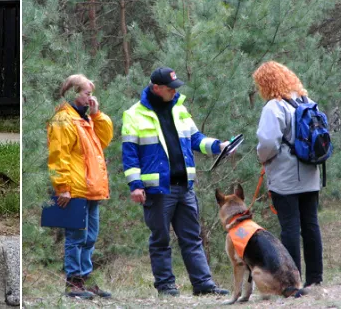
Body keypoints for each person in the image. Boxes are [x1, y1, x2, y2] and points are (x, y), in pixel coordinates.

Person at [121, 67, 230, 297]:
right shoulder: (133, 114)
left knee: (192, 238)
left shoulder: (180, 108)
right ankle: (166, 286)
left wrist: (217, 146)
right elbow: (129, 154)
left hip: (185, 187)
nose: (174, 91)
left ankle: (203, 284)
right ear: (156, 88)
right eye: (170, 88)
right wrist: (135, 185)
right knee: (160, 240)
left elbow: (196, 139)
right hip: (158, 190)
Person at [253, 61, 323, 287]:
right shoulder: (308, 102)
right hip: (311, 175)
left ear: (265, 83)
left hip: (285, 178)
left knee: (290, 228)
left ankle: (293, 280)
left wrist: (262, 158)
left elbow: (267, 143)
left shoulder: (274, 107)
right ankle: (315, 278)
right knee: (311, 225)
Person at [47, 74, 114, 299]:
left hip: (91, 188)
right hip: (74, 188)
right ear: (74, 93)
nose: (90, 97)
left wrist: (96, 114)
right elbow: (58, 155)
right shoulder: (63, 119)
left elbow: (103, 141)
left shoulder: (84, 119)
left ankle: (86, 279)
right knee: (76, 237)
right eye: (87, 93)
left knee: (90, 236)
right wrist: (62, 186)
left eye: (91, 93)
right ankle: (73, 283)